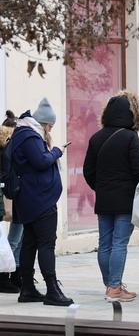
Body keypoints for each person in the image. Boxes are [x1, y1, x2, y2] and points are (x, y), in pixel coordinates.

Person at [8, 99, 73, 306]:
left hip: (31, 198)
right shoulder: (29, 136)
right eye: (50, 126)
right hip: (39, 199)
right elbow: (41, 161)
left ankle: (27, 288)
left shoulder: (23, 133)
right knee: (46, 243)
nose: (50, 130)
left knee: (30, 243)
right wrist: (57, 151)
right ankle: (52, 290)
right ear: (44, 123)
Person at [83, 91, 139, 302]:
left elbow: (88, 171)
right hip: (126, 199)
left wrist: (100, 187)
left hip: (104, 199)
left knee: (105, 244)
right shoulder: (130, 137)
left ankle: (111, 284)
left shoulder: (96, 138)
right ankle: (115, 287)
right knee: (119, 243)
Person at [1, 111, 22, 291]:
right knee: (13, 238)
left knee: (18, 235)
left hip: (15, 194)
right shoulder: (6, 148)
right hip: (10, 194)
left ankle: (15, 273)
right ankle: (6, 276)